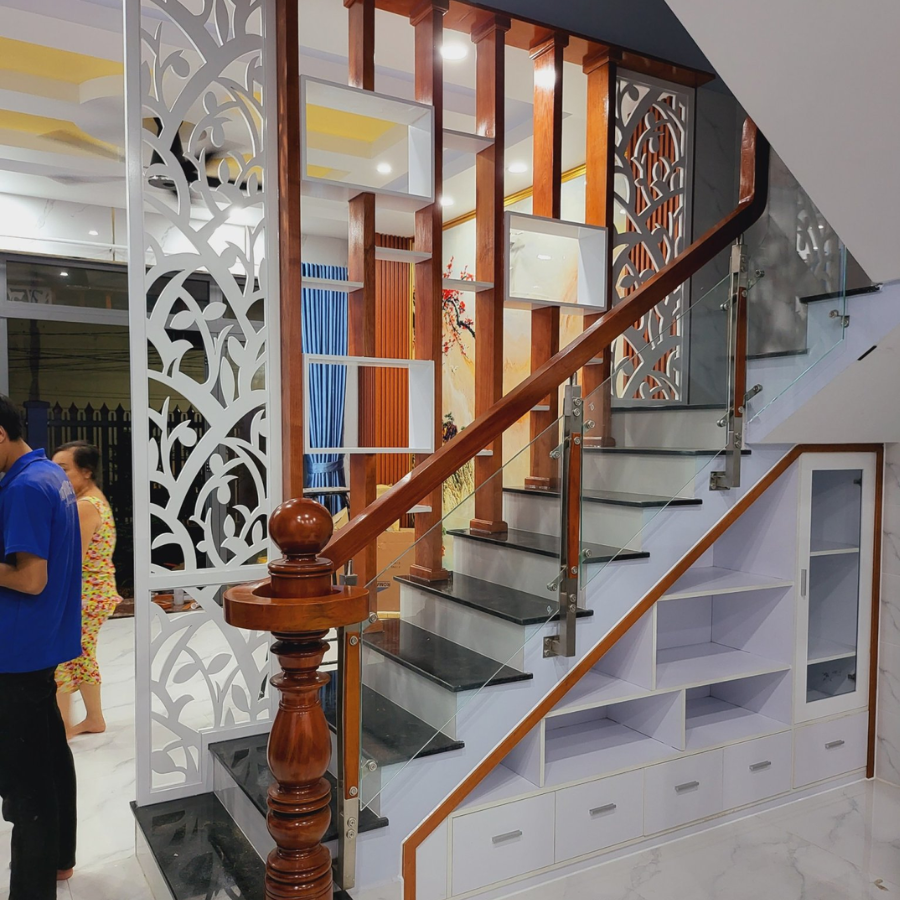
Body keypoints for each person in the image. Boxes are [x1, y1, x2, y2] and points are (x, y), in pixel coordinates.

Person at [0, 395, 80, 899]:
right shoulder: (50, 474)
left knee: (24, 789)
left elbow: (31, 578)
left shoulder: (25, 487)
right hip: (40, 643)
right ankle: (61, 860)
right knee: (50, 759)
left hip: (17, 650)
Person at [52, 440, 122, 738]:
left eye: (64, 469)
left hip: (85, 596)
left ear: (86, 471)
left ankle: (62, 728)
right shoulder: (94, 499)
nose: (57, 476)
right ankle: (93, 719)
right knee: (81, 656)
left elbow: (72, 560)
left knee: (63, 658)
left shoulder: (84, 506)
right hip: (95, 592)